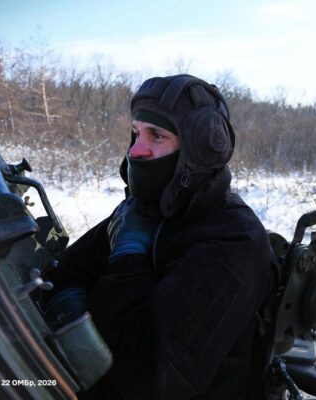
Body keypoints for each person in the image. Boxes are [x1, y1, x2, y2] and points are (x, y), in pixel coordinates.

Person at [44, 74, 274, 399]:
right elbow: (66, 270)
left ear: (199, 150)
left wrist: (127, 257)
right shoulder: (146, 210)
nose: (136, 150)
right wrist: (71, 312)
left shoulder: (234, 241)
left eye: (157, 135)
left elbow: (154, 379)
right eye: (136, 133)